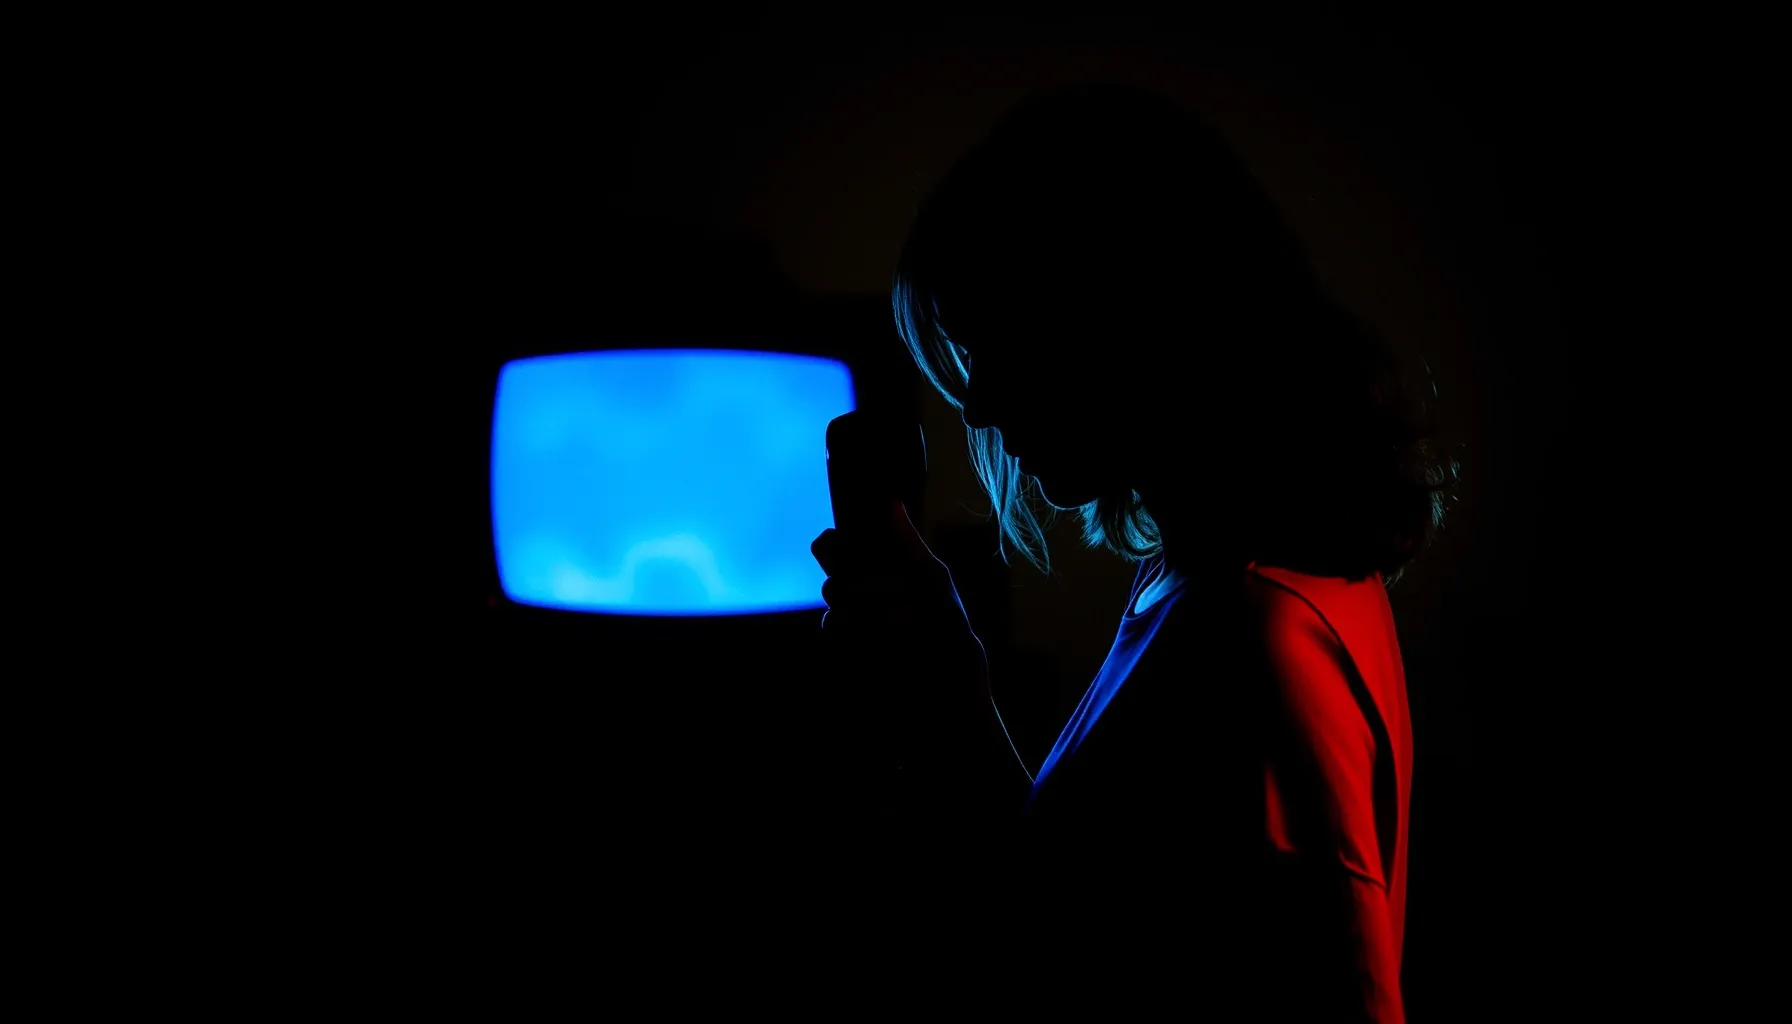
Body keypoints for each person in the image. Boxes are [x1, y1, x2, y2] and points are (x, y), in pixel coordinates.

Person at [811, 83, 1456, 1021]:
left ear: (1122, 315)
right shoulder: (1196, 582)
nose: (978, 406)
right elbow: (1078, 921)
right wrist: (960, 700)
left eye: (997, 344)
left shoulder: (1256, 632)